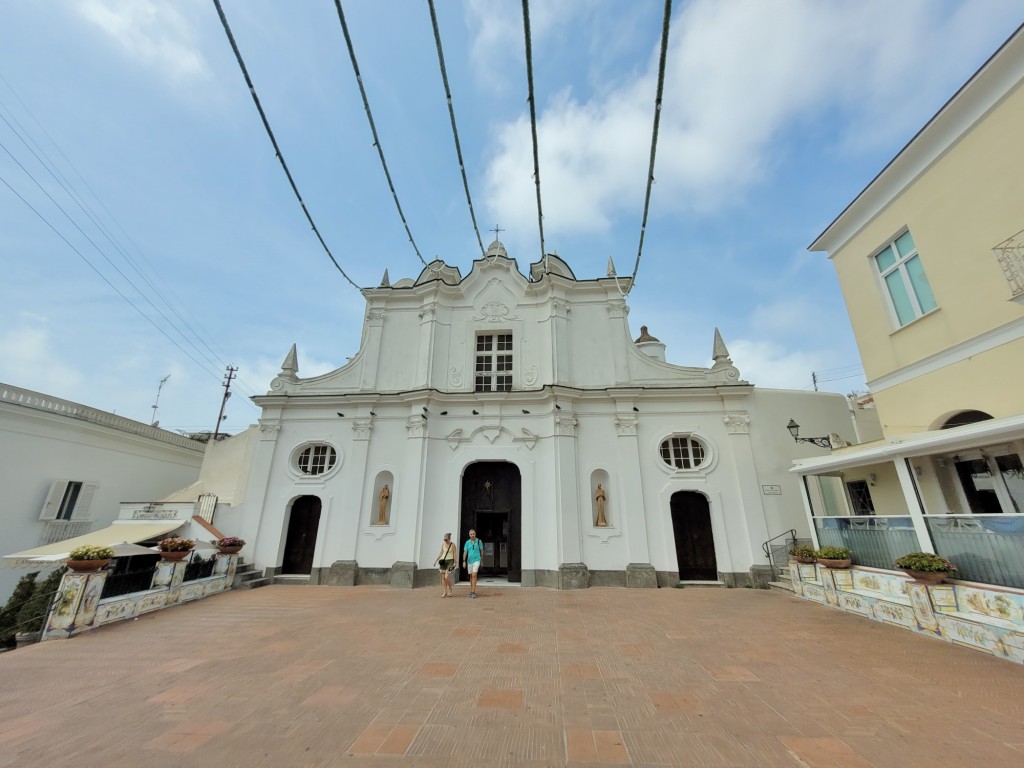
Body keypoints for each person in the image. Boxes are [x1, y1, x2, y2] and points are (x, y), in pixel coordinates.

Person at [433, 532, 456, 597]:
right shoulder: (443, 545)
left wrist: (455, 562)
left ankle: (450, 588)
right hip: (443, 561)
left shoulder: (453, 545)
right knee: (443, 578)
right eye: (444, 540)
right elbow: (441, 553)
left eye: (446, 539)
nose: (445, 541)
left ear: (449, 539)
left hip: (450, 561)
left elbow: (454, 553)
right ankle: (445, 592)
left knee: (446, 577)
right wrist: (436, 560)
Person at [462, 528, 483, 598]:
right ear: (469, 535)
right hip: (469, 561)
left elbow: (482, 551)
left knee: (474, 575)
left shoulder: (479, 541)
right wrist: (464, 561)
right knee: (471, 576)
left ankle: (473, 592)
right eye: (471, 534)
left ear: (475, 534)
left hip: (477, 560)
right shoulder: (467, 542)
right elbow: (465, 552)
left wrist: (482, 561)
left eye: (473, 534)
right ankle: (471, 590)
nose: (472, 535)